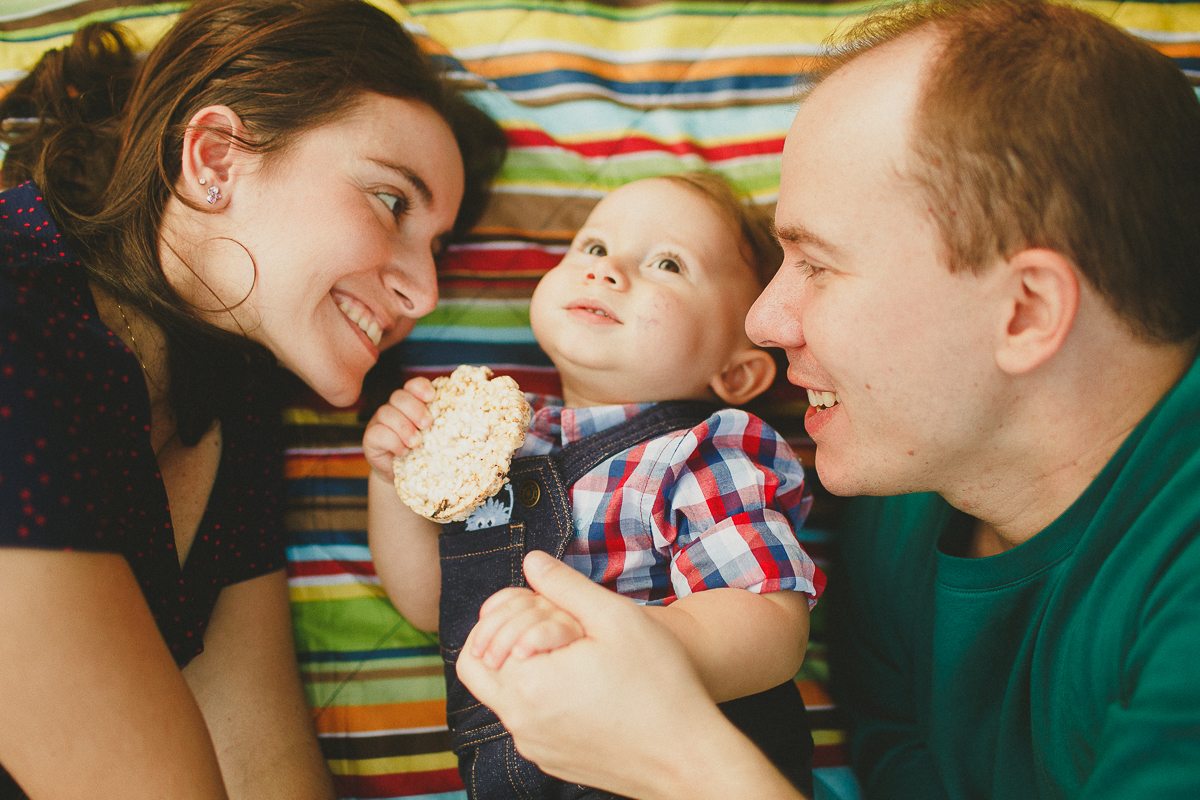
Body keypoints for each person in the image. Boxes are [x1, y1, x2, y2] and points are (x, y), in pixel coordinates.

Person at [447, 1, 1200, 798]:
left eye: (818, 264)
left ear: (1027, 312)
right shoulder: (904, 501)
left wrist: (677, 759)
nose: (764, 322)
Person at [0, 0, 505, 797]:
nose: (426, 292)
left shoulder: (228, 409)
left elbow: (264, 763)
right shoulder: (16, 313)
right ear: (215, 159)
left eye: (437, 246)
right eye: (393, 202)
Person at [363, 173, 825, 798]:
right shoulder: (497, 447)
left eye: (667, 264)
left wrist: (636, 646)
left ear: (737, 373)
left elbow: (770, 625)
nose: (607, 272)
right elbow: (430, 605)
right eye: (593, 247)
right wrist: (393, 479)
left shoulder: (701, 452)